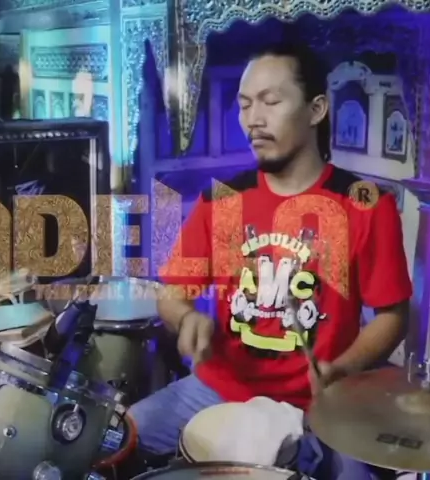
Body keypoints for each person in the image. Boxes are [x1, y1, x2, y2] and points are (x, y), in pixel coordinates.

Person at [127, 42, 413, 480]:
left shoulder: (366, 204)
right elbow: (172, 294)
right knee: (119, 436)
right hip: (221, 387)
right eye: (245, 105)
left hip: (321, 402)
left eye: (270, 101)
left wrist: (344, 367)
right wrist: (186, 318)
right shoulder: (222, 199)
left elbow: (393, 315)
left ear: (316, 109)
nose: (253, 119)